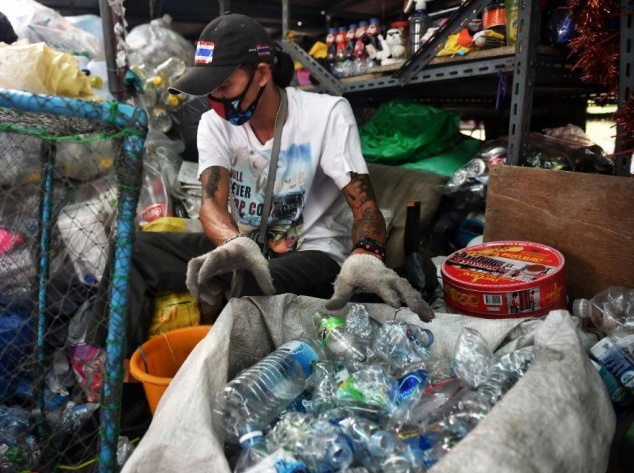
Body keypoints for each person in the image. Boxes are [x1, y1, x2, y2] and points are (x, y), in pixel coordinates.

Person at [87, 12, 433, 358]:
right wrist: (234, 243)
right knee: (129, 250)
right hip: (245, 250)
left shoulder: (326, 115)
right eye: (210, 92)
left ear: (262, 74)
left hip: (314, 254)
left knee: (250, 282)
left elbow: (366, 208)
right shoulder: (213, 123)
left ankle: (230, 383)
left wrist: (365, 255)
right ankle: (107, 375)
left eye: (225, 87)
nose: (218, 103)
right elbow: (211, 205)